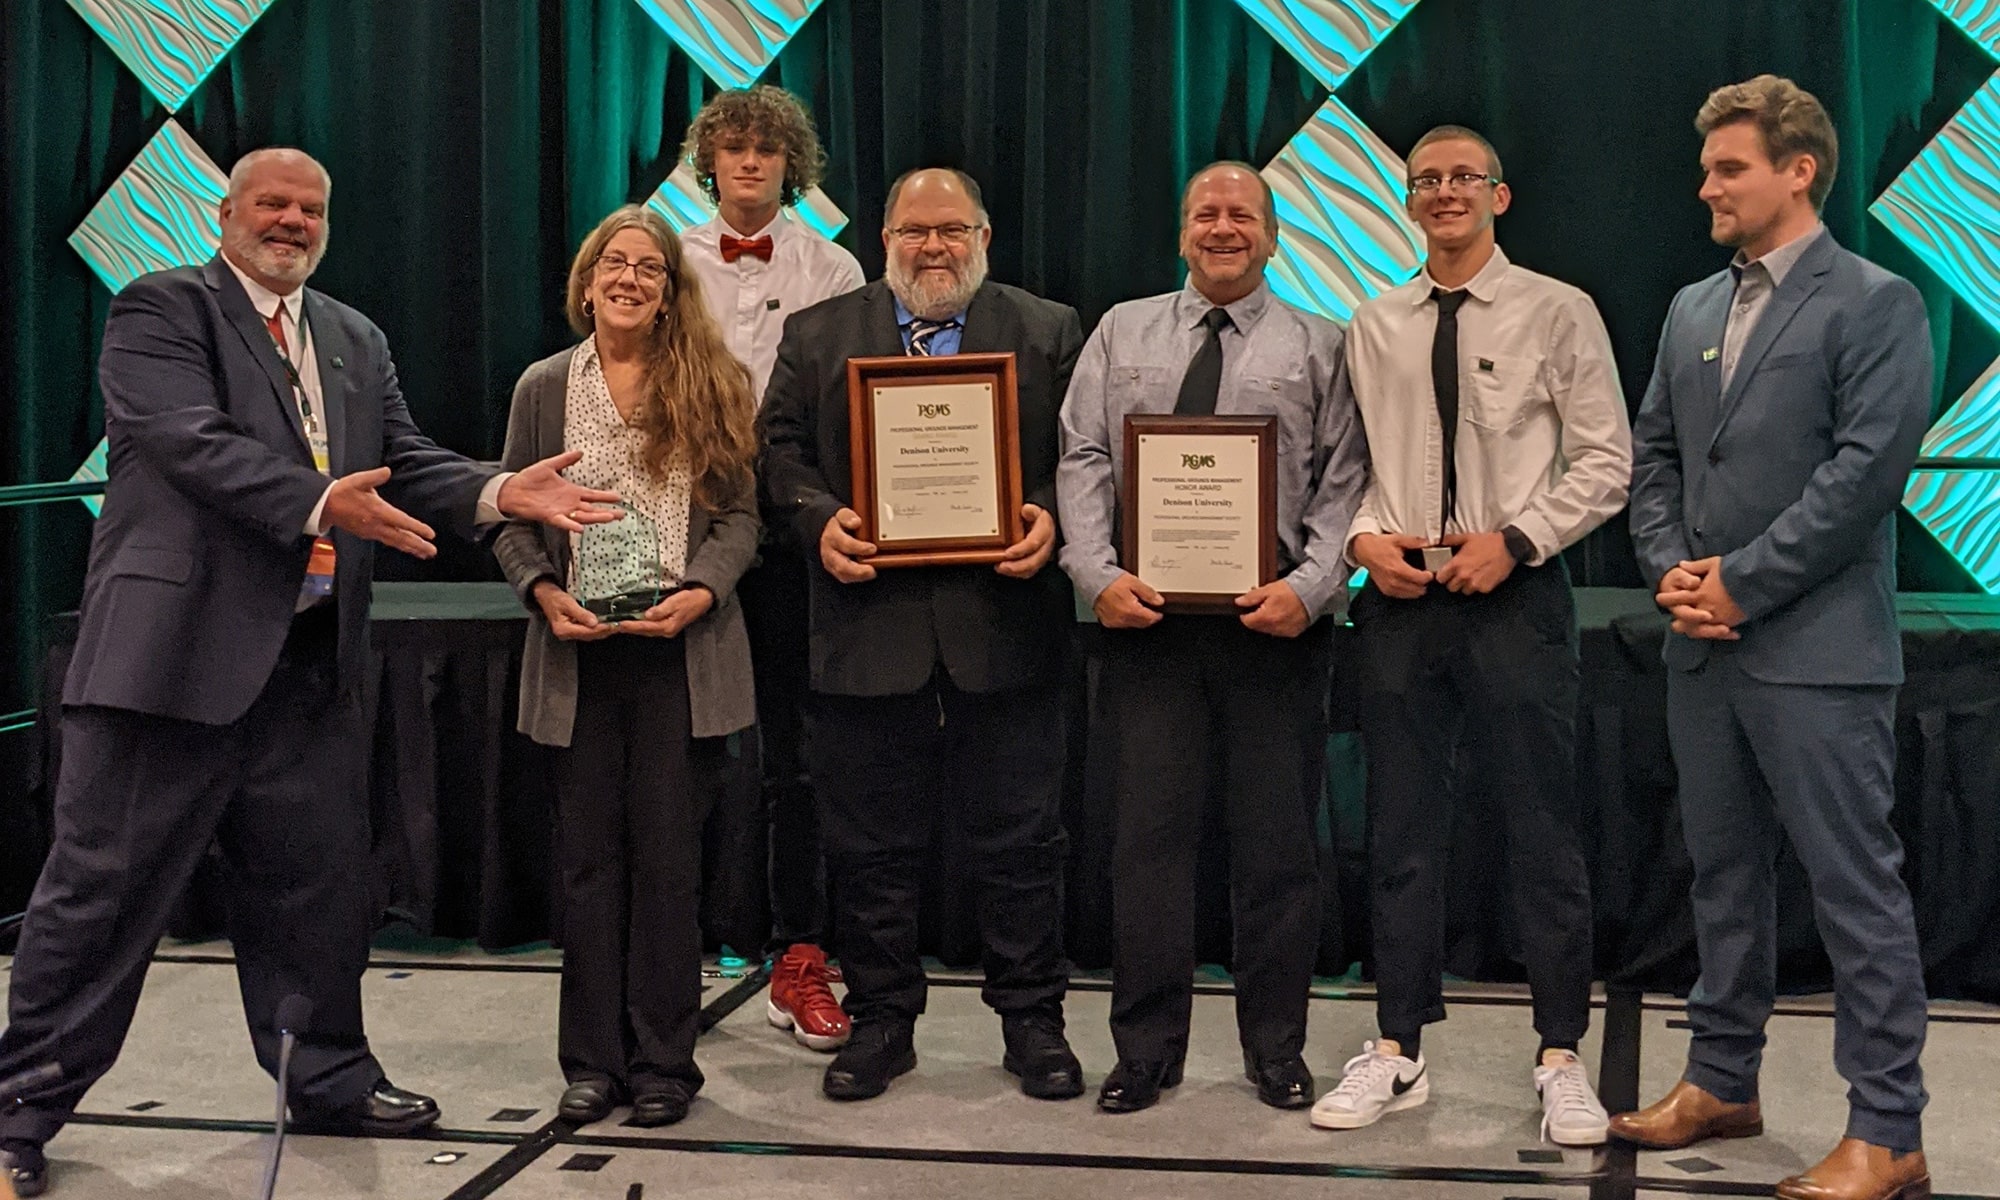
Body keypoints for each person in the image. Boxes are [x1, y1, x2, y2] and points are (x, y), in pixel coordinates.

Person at [0, 148, 613, 1198]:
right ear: (226, 213)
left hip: (310, 662)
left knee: (317, 896)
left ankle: (325, 1079)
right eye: (272, 204)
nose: (291, 221)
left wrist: (501, 493)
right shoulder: (160, 309)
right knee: (99, 899)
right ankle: (19, 1112)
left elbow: (406, 458)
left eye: (310, 208)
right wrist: (323, 502)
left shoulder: (353, 333)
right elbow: (186, 443)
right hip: (168, 666)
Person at [1615, 76, 1933, 1200]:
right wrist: (1669, 575)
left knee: (1854, 892)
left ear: (1797, 171)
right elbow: (1650, 458)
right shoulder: (1691, 308)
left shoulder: (1877, 302)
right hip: (1701, 648)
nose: (1704, 186)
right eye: (1705, 169)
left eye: (1726, 168)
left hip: (1817, 654)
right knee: (1721, 878)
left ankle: (1887, 1134)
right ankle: (1721, 1078)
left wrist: (1740, 583)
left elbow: (1862, 481)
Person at [1312, 127, 1631, 1144]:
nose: (1443, 191)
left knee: (1542, 832)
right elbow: (1350, 466)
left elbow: (1604, 461)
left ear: (1499, 194)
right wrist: (1364, 540)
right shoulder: (1372, 321)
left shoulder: (1556, 309)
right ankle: (1396, 1046)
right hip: (1403, 602)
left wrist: (1520, 539)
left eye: (1461, 177)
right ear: (1407, 203)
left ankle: (1558, 1055)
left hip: (1514, 592)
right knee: (1400, 832)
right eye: (1424, 180)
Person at [758, 167, 1086, 1103]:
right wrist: (819, 517)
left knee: (1025, 844)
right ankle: (883, 1021)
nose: (933, 247)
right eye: (914, 230)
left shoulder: (1048, 329)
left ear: (986, 236)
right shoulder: (817, 333)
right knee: (868, 848)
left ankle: (1033, 1023)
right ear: (884, 238)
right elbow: (776, 454)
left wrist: (1050, 514)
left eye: (953, 230)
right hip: (865, 629)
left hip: (1006, 626)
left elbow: (1087, 457)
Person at [1055, 161, 1369, 1115]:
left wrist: (1314, 590)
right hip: (1147, 628)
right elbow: (1081, 456)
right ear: (1182, 231)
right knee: (1146, 846)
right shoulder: (1122, 328)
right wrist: (1097, 574)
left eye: (1243, 214)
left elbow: (1346, 479)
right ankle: (1143, 1050)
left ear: (1273, 235)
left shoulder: (1324, 342)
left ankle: (1277, 1048)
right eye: (1206, 213)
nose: (1223, 227)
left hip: (1273, 629)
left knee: (1276, 849)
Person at [493, 205, 760, 1128]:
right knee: (587, 867)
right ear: (588, 276)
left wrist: (703, 591)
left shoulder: (713, 382)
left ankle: (663, 1068)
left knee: (670, 867)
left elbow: (741, 521)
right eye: (616, 261)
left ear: (670, 289)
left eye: (651, 267)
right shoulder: (541, 384)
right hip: (578, 656)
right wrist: (539, 592)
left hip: (678, 655)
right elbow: (510, 515)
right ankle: (591, 1064)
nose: (631, 278)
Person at [676, 85, 864, 1054]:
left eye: (766, 150)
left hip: (792, 533)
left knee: (798, 754)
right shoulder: (663, 258)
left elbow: (839, 410)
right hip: (686, 528)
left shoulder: (831, 265)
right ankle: (669, 954)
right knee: (679, 747)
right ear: (709, 161)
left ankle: (801, 956)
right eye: (733, 149)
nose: (749, 164)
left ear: (793, 163)